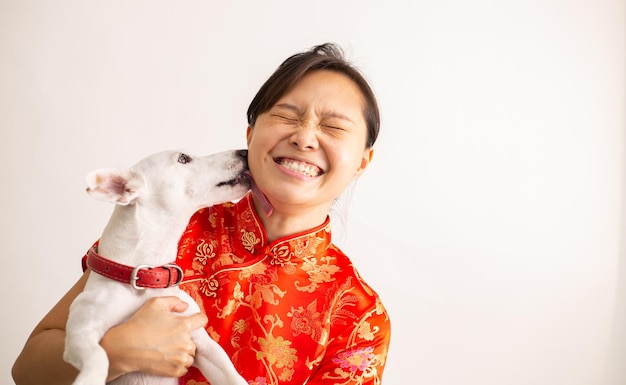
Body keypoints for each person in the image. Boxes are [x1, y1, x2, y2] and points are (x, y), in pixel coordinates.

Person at [12, 42, 391, 385]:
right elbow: (27, 370)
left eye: (333, 127)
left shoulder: (359, 318)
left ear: (362, 161)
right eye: (288, 116)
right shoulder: (169, 223)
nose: (305, 137)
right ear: (250, 133)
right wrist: (117, 353)